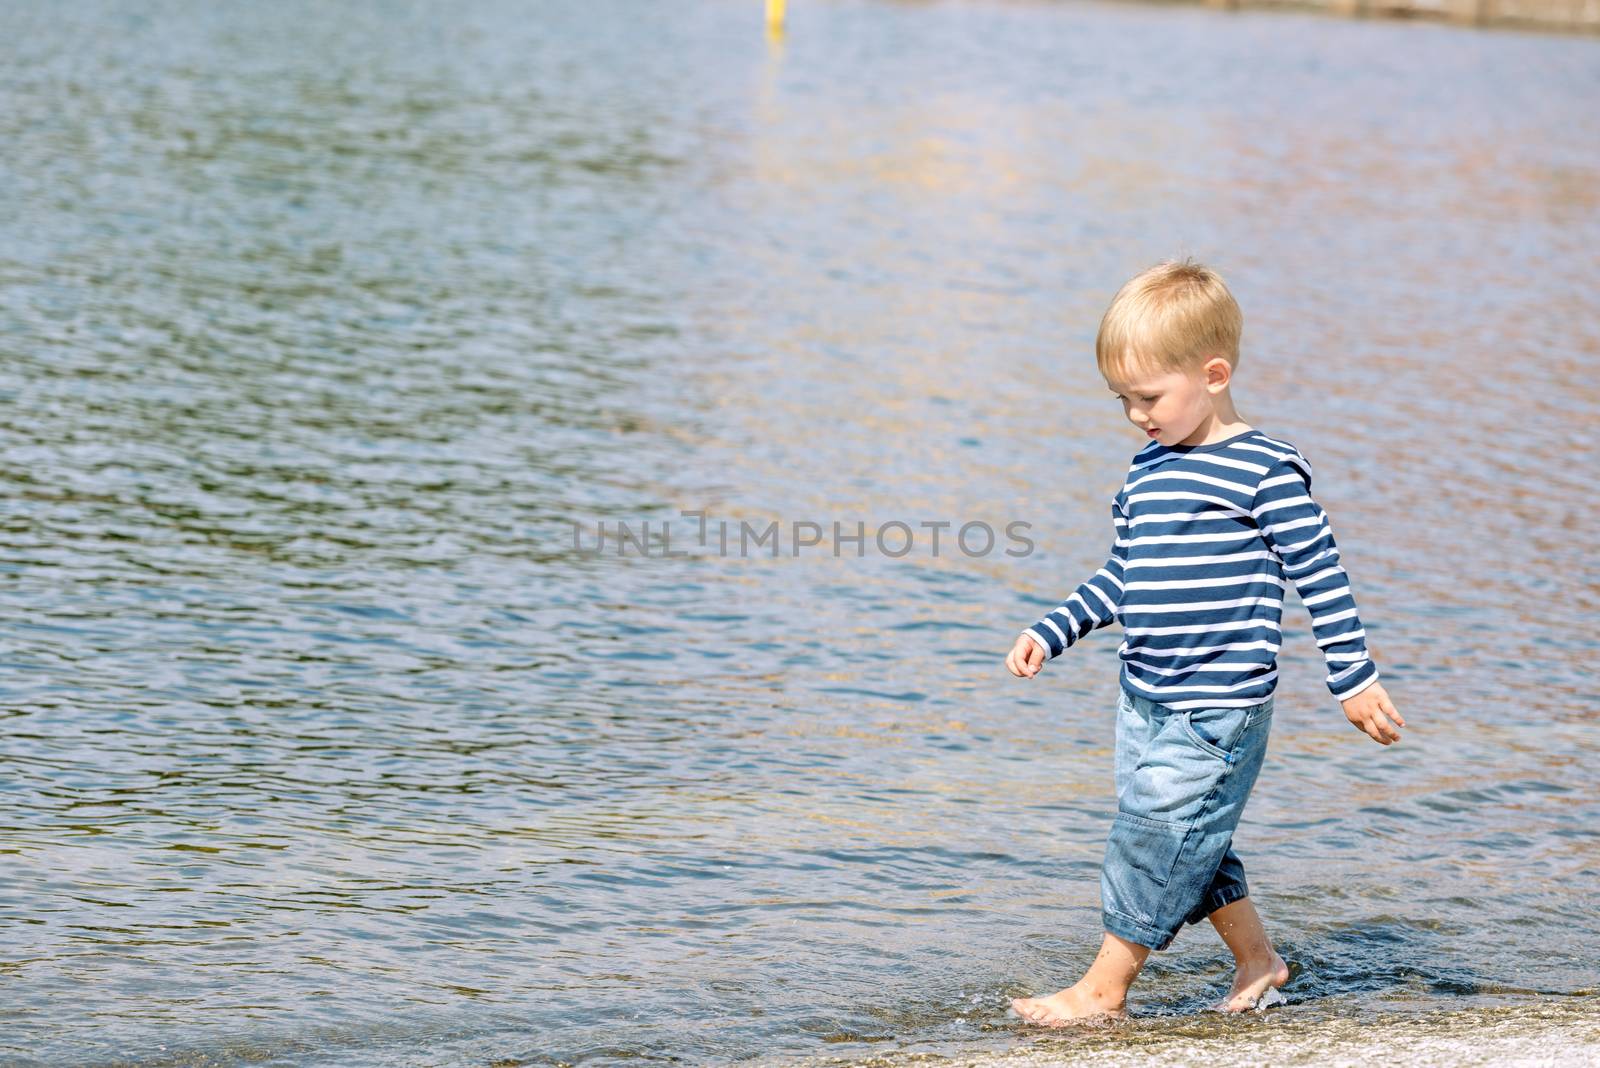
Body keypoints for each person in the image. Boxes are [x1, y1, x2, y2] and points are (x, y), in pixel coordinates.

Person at [1004, 258, 1406, 1026]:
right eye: (1121, 399)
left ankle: (1102, 991)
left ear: (1213, 374)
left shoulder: (1263, 471)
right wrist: (1050, 630)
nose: (1134, 415)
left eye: (1148, 397)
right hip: (1145, 697)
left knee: (1152, 837)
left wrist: (1352, 678)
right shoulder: (1147, 471)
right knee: (1194, 841)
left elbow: (1320, 573)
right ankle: (1261, 961)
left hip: (1218, 705)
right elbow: (1122, 577)